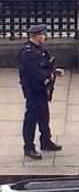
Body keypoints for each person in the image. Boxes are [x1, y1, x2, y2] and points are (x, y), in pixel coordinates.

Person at [18, 24, 64, 159]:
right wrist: (48, 75)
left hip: (42, 89)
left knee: (44, 115)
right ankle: (29, 147)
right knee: (31, 118)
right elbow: (33, 73)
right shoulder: (28, 53)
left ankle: (45, 140)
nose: (45, 36)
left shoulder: (40, 49)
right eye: (43, 34)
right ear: (37, 36)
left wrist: (54, 71)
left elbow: (46, 65)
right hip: (33, 90)